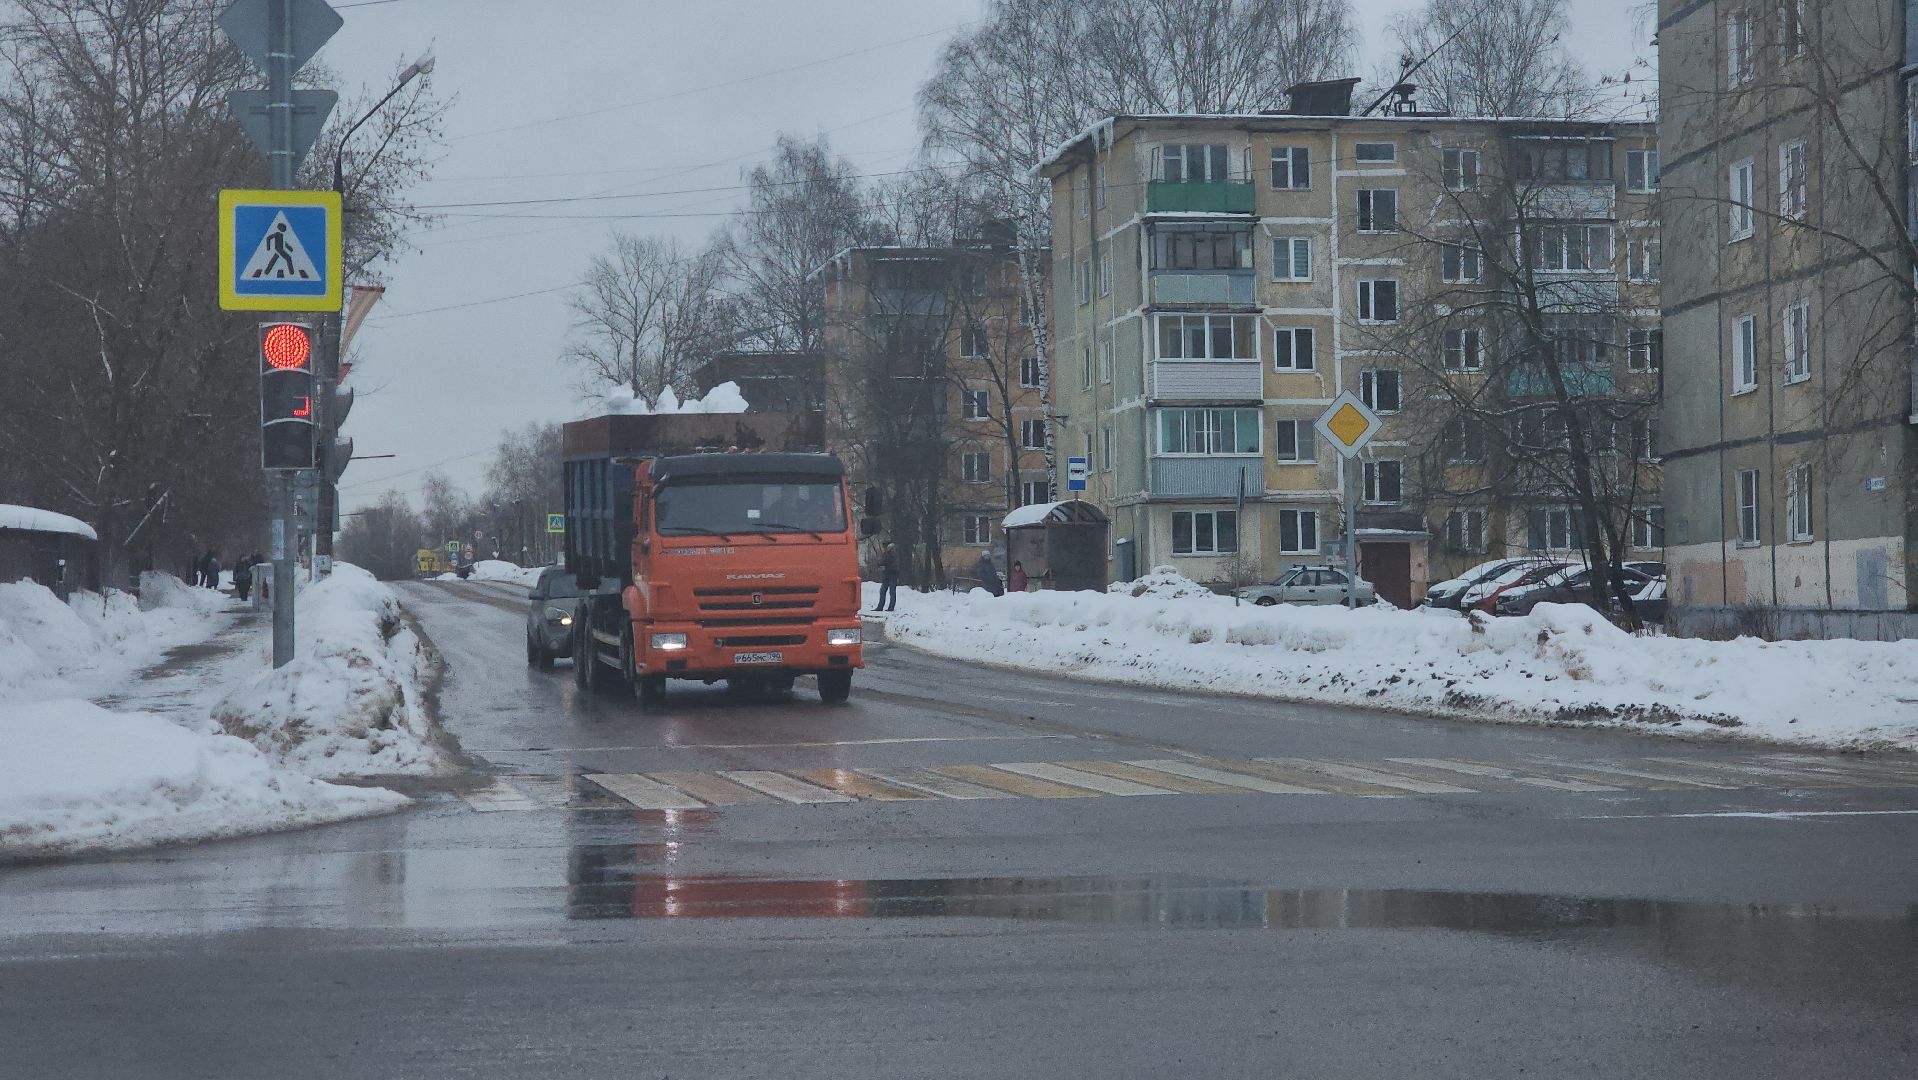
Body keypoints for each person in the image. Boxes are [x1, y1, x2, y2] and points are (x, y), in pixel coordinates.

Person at [874, 541, 898, 613]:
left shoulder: (889, 553)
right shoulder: (893, 552)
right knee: (890, 591)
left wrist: (879, 562)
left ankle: (882, 607)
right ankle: (889, 607)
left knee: (885, 591)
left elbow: (883, 561)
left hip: (890, 573)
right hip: (891, 573)